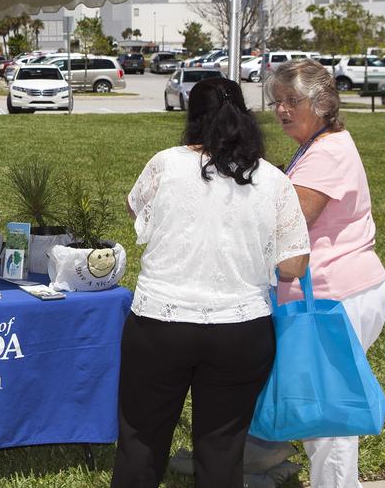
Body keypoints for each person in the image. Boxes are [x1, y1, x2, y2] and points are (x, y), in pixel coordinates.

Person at [113, 77, 310, 488]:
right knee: (222, 450)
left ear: (192, 117)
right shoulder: (274, 180)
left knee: (141, 440)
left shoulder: (165, 163)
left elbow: (136, 210)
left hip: (159, 322)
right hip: (241, 329)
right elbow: (293, 265)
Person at [268, 59, 385, 488]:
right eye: (276, 101)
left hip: (335, 296)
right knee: (321, 407)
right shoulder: (318, 144)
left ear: (321, 102)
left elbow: (292, 221)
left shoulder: (326, 153)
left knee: (327, 414)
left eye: (292, 100)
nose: (281, 109)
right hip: (335, 293)